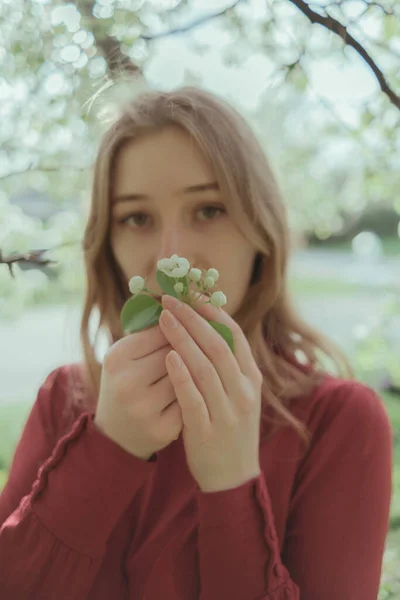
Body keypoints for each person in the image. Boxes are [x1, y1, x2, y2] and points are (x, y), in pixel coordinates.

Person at [0, 85, 393, 600]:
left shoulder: (339, 423)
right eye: (136, 218)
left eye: (209, 209)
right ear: (107, 244)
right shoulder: (67, 400)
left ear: (262, 230)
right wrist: (106, 449)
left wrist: (231, 482)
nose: (170, 257)